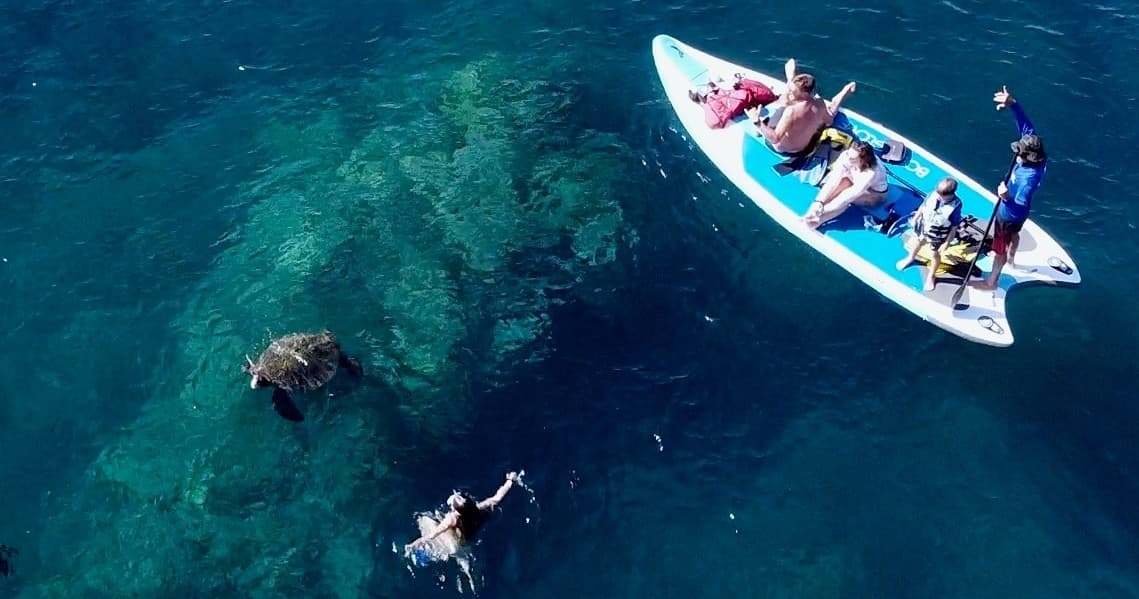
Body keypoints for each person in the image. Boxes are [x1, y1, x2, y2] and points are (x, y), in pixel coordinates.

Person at [976, 85, 1047, 290]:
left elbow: (1019, 205)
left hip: (1009, 215)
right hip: (1018, 218)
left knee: (999, 248)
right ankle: (1013, 259)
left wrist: (1005, 197)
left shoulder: (1028, 180)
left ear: (1026, 157)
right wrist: (1013, 104)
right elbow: (1026, 127)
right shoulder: (1034, 146)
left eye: (1019, 152)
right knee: (1014, 236)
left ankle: (992, 281)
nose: (1016, 153)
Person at [743, 59, 857, 156]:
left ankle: (790, 78)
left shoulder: (791, 111)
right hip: (807, 147)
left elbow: (775, 138)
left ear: (805, 93)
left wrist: (757, 122)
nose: (791, 93)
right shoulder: (820, 103)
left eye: (793, 91)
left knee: (783, 104)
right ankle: (844, 91)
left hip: (785, 149)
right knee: (825, 117)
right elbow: (829, 120)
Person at [404, 472, 520, 561]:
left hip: (458, 541)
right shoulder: (478, 508)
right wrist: (510, 480)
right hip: (470, 535)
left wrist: (412, 546)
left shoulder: (451, 519)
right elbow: (497, 498)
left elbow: (431, 535)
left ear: (456, 511)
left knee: (423, 518)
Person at [896, 177, 964, 291]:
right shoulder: (932, 195)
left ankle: (931, 276)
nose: (939, 197)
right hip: (922, 227)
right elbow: (923, 207)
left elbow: (954, 226)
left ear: (952, 194)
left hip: (937, 234)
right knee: (916, 243)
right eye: (938, 194)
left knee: (934, 255)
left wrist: (947, 242)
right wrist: (916, 218)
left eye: (943, 196)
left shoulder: (955, 206)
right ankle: (910, 258)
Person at [803, 140, 888, 229]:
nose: (848, 159)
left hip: (875, 194)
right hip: (853, 180)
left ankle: (817, 221)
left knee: (842, 197)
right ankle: (809, 216)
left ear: (863, 160)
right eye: (848, 154)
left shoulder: (871, 172)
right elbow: (832, 181)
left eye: (852, 159)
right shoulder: (846, 155)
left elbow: (846, 197)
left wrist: (822, 211)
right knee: (839, 184)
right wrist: (818, 202)